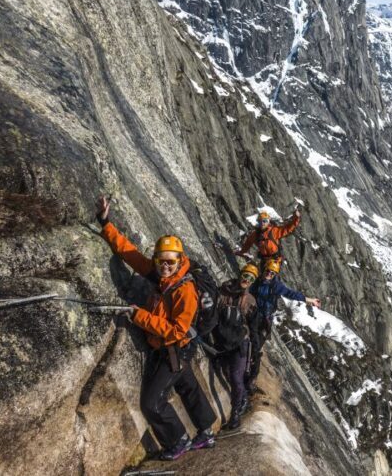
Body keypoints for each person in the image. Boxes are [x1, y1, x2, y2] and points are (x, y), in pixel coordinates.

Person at [95, 195, 216, 461]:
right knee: (187, 387)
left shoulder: (184, 290)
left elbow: (177, 331)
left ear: (180, 260)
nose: (165, 266)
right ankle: (206, 432)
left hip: (175, 348)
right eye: (161, 260)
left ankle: (178, 440)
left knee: (151, 403)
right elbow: (130, 254)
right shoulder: (162, 275)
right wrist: (105, 223)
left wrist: (139, 316)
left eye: (171, 261)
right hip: (176, 347)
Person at [247, 258, 321, 390]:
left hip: (264, 320)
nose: (269, 274)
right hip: (253, 316)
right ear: (264, 270)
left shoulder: (276, 286)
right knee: (247, 341)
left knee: (256, 348)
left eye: (272, 273)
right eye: (268, 271)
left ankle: (252, 378)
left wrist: (309, 300)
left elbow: (290, 293)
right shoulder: (257, 281)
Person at [209, 263, 259, 430]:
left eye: (251, 278)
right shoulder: (223, 291)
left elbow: (253, 327)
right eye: (246, 275)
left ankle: (235, 413)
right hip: (223, 342)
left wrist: (255, 350)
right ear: (240, 274)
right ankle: (242, 397)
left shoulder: (250, 301)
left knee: (236, 378)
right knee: (229, 375)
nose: (247, 280)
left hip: (239, 344)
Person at [234, 207, 301, 272]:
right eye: (260, 221)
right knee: (259, 275)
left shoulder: (273, 231)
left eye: (264, 221)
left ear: (268, 222)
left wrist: (296, 218)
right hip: (264, 260)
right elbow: (248, 243)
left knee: (270, 274)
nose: (262, 223)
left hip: (275, 260)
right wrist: (242, 252)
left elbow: (287, 228)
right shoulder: (255, 234)